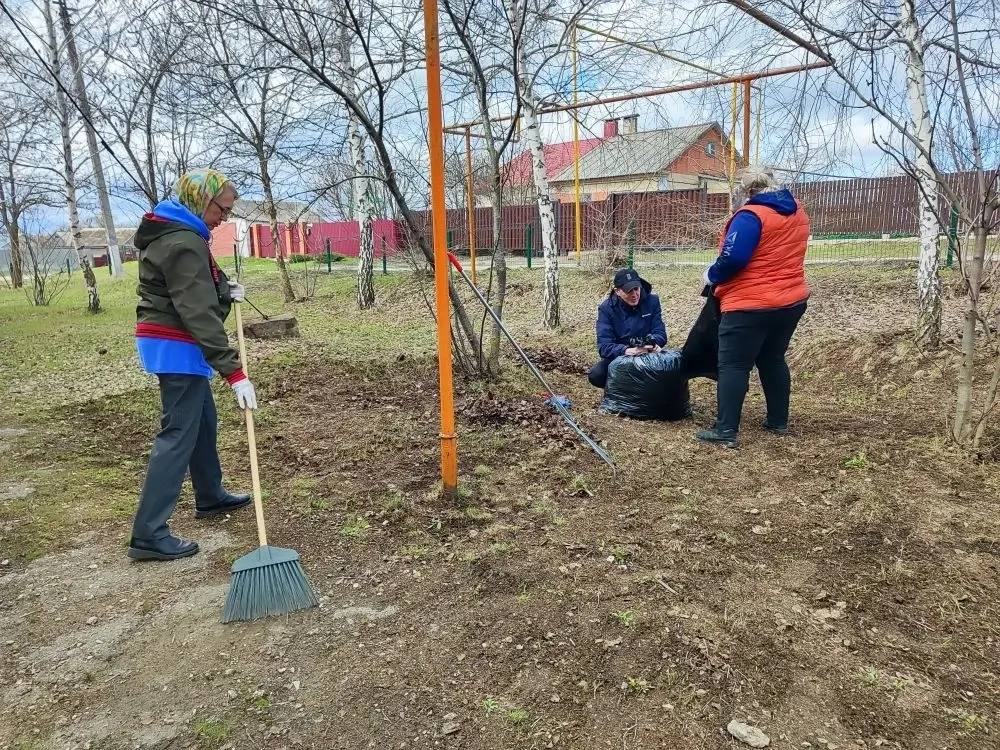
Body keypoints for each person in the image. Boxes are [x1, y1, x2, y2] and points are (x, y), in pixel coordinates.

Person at [128, 169, 258, 561]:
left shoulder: (179, 234)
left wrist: (222, 289)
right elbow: (196, 312)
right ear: (203, 201)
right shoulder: (183, 241)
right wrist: (233, 372)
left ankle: (210, 494)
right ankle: (148, 533)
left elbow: (194, 292)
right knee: (178, 432)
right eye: (223, 209)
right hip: (176, 344)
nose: (223, 218)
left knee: (203, 420)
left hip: (173, 339)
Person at [696, 167, 810, 448]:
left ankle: (726, 431)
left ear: (747, 191)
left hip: (750, 305)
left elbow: (734, 259)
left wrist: (711, 275)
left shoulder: (750, 217)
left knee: (734, 365)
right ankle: (778, 421)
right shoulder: (796, 211)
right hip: (790, 301)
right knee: (772, 359)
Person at [588, 268, 667, 388]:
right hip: (622, 357)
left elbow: (660, 332)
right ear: (617, 291)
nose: (634, 295)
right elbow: (604, 347)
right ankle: (621, 391)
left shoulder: (652, 301)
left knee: (673, 366)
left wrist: (652, 343)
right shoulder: (606, 309)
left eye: (636, 289)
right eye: (628, 291)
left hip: (649, 354)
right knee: (597, 374)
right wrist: (627, 351)